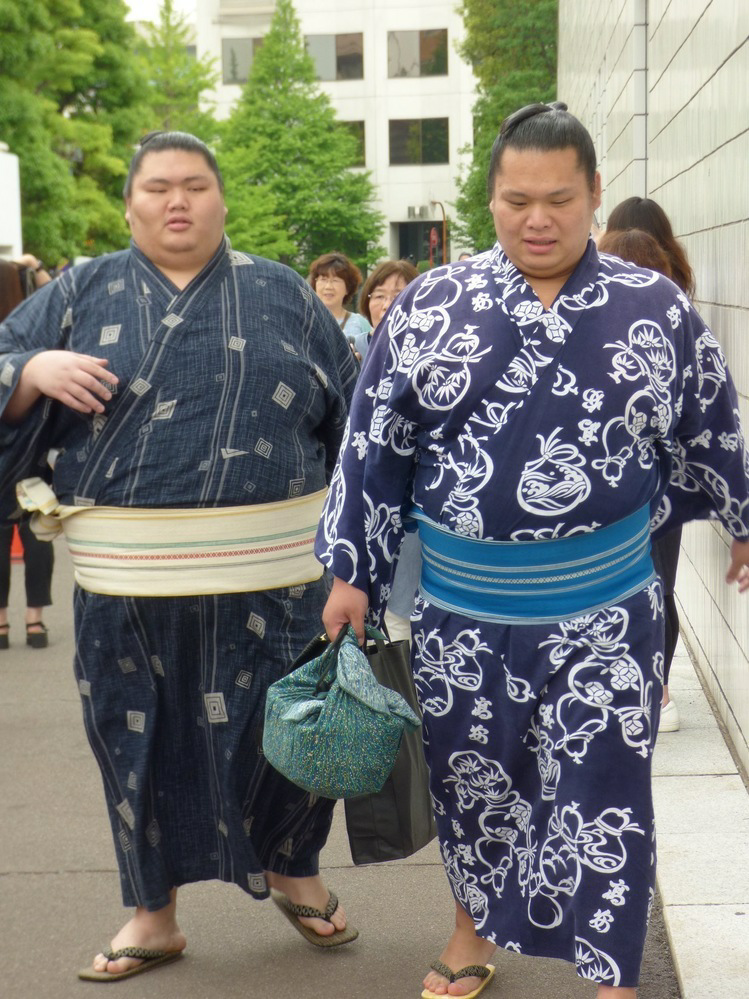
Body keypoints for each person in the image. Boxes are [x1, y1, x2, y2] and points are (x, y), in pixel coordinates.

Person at [316, 101, 749, 999]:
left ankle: (612, 972)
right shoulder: (433, 305)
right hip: (465, 609)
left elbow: (712, 421)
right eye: (517, 200)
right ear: (491, 199)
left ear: (593, 194)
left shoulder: (651, 307)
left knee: (604, 787)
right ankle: (473, 930)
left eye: (558, 198)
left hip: (608, 604)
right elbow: (373, 443)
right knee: (475, 782)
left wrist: (742, 517)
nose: (538, 218)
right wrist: (351, 568)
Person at [0, 131, 359, 981]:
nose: (177, 202)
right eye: (157, 187)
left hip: (273, 570)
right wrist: (30, 369)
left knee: (287, 725)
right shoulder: (79, 293)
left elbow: (356, 426)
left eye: (194, 185)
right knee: (136, 738)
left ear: (220, 199)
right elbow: (5, 360)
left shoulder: (282, 292)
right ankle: (151, 912)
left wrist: (358, 557)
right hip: (128, 576)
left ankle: (293, 868)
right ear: (128, 204)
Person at [601, 198, 698, 733]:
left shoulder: (672, 315)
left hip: (640, 475)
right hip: (654, 476)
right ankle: (650, 687)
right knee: (655, 580)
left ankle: (650, 686)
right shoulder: (680, 304)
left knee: (647, 580)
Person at [354, 259, 420, 640]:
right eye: (380, 295)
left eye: (400, 294)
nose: (389, 302)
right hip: (362, 495)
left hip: (413, 508)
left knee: (401, 618)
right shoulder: (357, 347)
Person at [0, 257, 54, 649]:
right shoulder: (29, 334)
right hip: (32, 445)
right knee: (36, 532)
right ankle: (34, 622)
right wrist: (31, 270)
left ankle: (0, 624)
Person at [308, 251, 372, 340]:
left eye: (335, 280)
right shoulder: (304, 320)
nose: (328, 287)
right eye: (323, 279)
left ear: (348, 288)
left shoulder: (361, 324)